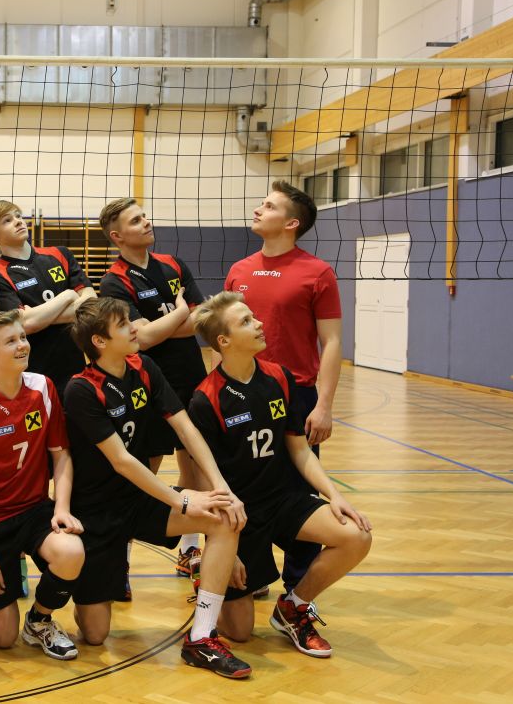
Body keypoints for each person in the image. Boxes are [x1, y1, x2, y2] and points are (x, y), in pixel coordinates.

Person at [63, 297, 252, 679]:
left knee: (222, 517)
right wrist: (181, 500)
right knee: (95, 634)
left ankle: (201, 638)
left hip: (140, 498)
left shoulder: (144, 367)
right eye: (123, 324)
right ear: (99, 341)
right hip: (96, 513)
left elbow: (185, 427)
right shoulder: (80, 389)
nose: (135, 327)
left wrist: (221, 487)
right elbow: (121, 461)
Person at [188, 292, 371, 657]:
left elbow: (300, 450)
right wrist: (222, 550)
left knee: (357, 536)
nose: (259, 324)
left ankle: (293, 607)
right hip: (240, 517)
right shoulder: (205, 399)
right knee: (239, 632)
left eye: (254, 317)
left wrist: (335, 496)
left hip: (284, 500)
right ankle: (208, 578)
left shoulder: (279, 378)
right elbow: (206, 482)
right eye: (246, 321)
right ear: (224, 341)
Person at [224, 181, 343, 596]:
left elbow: (332, 342)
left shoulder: (317, 272)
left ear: (291, 223)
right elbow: (225, 335)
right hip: (242, 392)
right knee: (242, 484)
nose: (258, 209)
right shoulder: (239, 270)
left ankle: (297, 589)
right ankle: (251, 574)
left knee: (299, 490)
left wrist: (324, 405)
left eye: (269, 206)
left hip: (296, 395)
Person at [0, 311, 86, 662]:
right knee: (2, 636)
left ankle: (39, 620)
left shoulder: (42, 387)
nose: (22, 345)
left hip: (35, 509)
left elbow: (61, 454)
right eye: (11, 341)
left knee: (71, 551)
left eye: (22, 337)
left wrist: (61, 509)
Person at [97, 198, 207, 584]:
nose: (146, 223)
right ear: (117, 236)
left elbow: (202, 319)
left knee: (194, 462)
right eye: (136, 220)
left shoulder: (173, 264)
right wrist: (180, 312)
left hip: (191, 376)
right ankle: (119, 561)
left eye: (144, 216)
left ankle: (189, 549)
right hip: (144, 382)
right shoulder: (113, 281)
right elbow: (139, 339)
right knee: (144, 469)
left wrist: (162, 325)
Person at [0, 200, 96, 396]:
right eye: (7, 220)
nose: (18, 221)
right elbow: (24, 324)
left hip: (78, 366)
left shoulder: (60, 254)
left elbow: (91, 303)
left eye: (18, 216)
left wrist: (38, 316)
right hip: (36, 374)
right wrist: (67, 296)